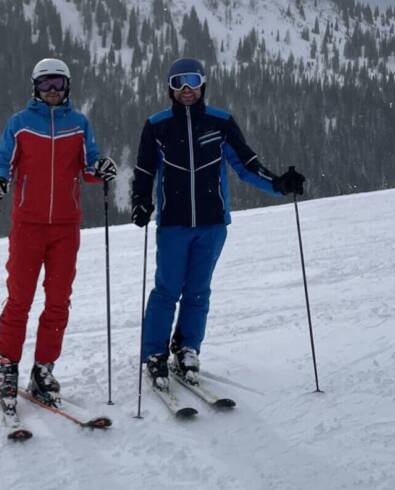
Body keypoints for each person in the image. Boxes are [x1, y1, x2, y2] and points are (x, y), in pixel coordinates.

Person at [131, 57, 305, 391]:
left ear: (203, 84)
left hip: (212, 224)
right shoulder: (157, 125)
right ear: (170, 87)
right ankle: (155, 354)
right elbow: (144, 171)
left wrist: (279, 183)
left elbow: (247, 165)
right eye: (179, 81)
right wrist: (140, 202)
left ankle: (187, 349)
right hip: (173, 224)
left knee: (198, 291)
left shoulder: (220, 122)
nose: (186, 89)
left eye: (193, 81)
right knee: (166, 290)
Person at [0, 58, 117, 412]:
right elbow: (4, 163)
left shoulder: (79, 124)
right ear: (35, 88)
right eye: (45, 84)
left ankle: (43, 370)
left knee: (58, 302)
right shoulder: (21, 124)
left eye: (58, 83)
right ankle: (8, 367)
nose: (52, 91)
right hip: (27, 226)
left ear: (68, 86)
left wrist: (100, 169)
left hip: (65, 227)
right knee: (20, 300)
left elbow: (88, 166)